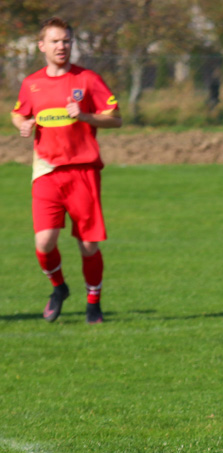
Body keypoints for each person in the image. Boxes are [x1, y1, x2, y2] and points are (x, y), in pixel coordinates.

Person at [11, 17, 122, 324]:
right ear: (42, 45)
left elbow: (115, 118)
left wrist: (85, 115)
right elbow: (18, 114)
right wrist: (23, 125)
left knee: (88, 245)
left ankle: (93, 303)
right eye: (56, 41)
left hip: (83, 171)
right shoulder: (31, 83)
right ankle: (59, 288)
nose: (62, 46)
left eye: (67, 41)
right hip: (46, 170)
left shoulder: (87, 79)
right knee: (44, 243)